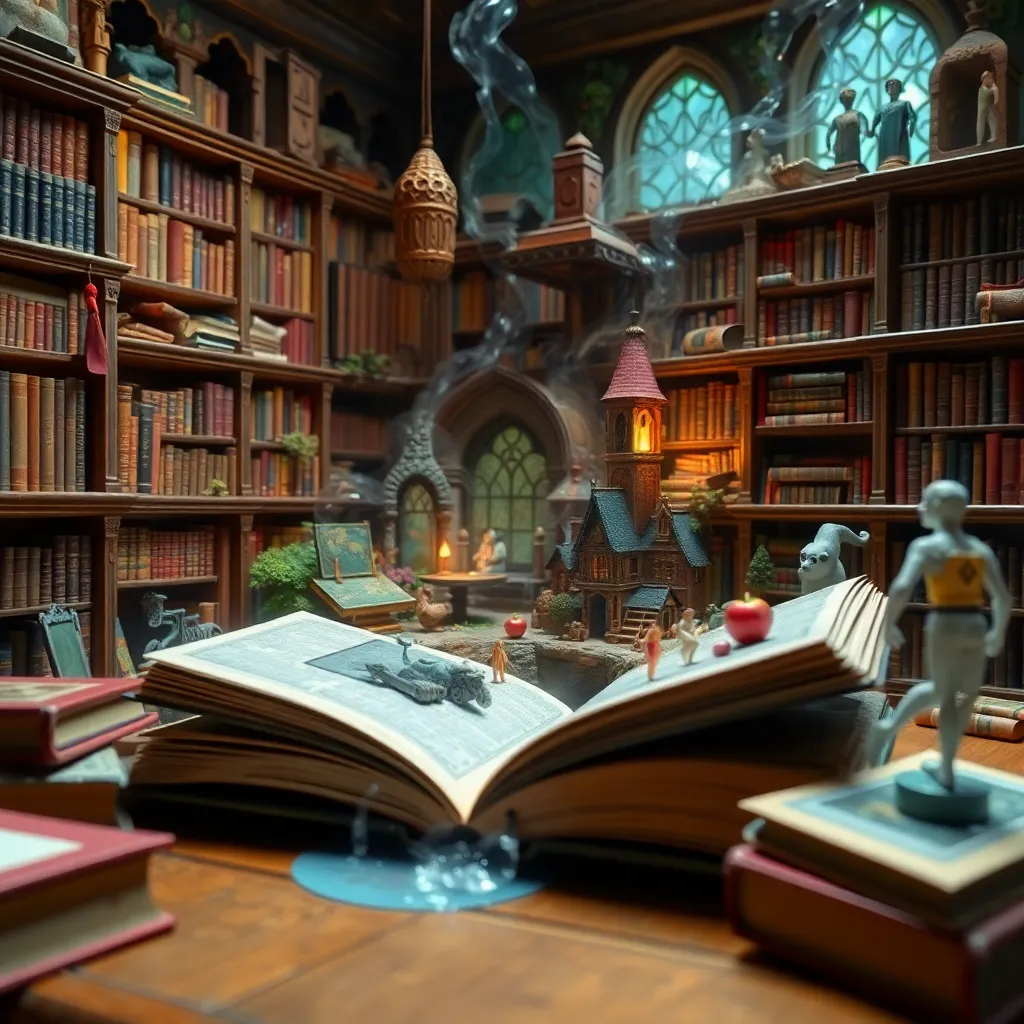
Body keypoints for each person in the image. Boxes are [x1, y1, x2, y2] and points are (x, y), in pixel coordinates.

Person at [865, 480, 1011, 788]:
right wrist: (997, 630)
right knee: (960, 695)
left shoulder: (927, 547)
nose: (920, 508)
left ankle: (931, 755)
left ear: (936, 509)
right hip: (974, 625)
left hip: (946, 624)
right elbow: (1001, 597)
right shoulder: (978, 549)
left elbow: (902, 587)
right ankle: (938, 760)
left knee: (946, 692)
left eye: (926, 502)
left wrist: (890, 622)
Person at [871, 78, 916, 169]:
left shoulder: (904, 104)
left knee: (898, 153)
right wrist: (872, 130)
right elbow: (876, 119)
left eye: (894, 85)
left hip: (898, 132)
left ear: (899, 89)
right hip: (886, 135)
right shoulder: (883, 108)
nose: (891, 87)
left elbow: (912, 116)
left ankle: (900, 160)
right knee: (886, 156)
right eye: (889, 86)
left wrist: (912, 127)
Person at [826, 87, 868, 167]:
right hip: (840, 151)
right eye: (845, 99)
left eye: (849, 99)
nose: (847, 101)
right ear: (842, 101)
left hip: (852, 151)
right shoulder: (837, 118)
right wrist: (829, 147)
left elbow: (865, 132)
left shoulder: (858, 115)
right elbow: (829, 133)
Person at [977, 70, 999, 146]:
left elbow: (995, 99)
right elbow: (986, 94)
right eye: (986, 78)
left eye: (989, 78)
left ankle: (993, 136)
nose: (988, 80)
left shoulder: (992, 87)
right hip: (982, 108)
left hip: (989, 106)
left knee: (992, 119)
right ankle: (979, 141)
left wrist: (994, 88)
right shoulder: (982, 89)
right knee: (980, 122)